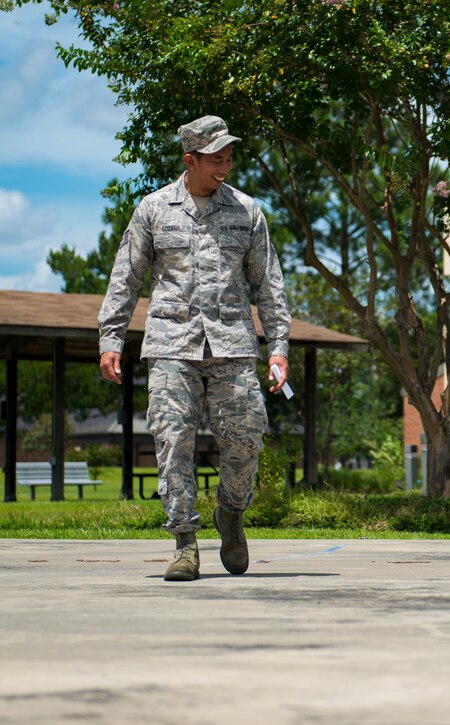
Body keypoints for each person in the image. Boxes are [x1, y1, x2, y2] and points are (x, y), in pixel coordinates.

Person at [99, 115, 292, 582]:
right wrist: (111, 337)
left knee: (246, 437)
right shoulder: (153, 209)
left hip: (232, 345)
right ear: (191, 159)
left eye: (229, 156)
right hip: (170, 345)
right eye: (215, 158)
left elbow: (268, 282)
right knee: (172, 442)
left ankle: (231, 513)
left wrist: (279, 346)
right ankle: (185, 542)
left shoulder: (247, 211)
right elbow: (126, 276)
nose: (225, 165)